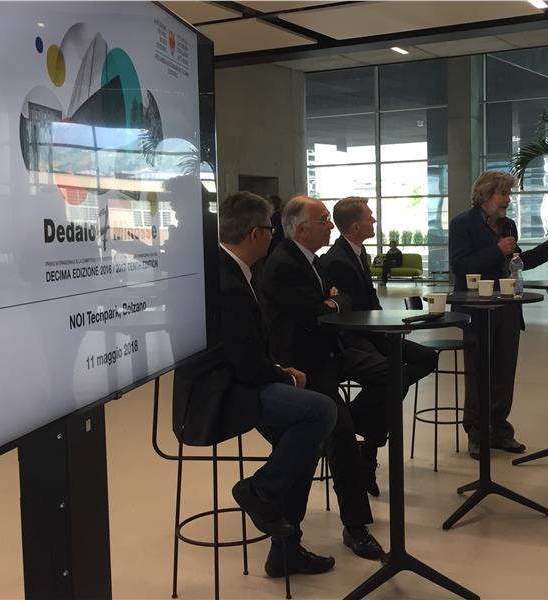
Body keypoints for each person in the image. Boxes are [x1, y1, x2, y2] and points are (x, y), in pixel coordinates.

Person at [173, 191, 337, 578]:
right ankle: (258, 491)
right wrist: (284, 374)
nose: (273, 235)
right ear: (254, 234)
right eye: (269, 229)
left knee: (305, 440)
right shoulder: (229, 284)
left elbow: (244, 351)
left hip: (230, 379)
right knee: (320, 410)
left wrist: (277, 369)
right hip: (218, 394)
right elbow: (247, 366)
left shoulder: (230, 270)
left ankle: (285, 548)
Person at [259, 194, 387, 562]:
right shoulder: (285, 264)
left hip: (331, 352)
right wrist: (331, 302)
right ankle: (355, 526)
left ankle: (363, 428)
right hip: (305, 366)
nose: (331, 225)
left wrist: (332, 301)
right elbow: (315, 314)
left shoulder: (311, 260)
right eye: (324, 220)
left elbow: (339, 299)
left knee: (391, 372)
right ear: (301, 229)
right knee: (340, 439)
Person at [449, 170, 548, 459]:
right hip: (475, 310)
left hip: (507, 306)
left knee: (504, 372)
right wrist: (496, 250)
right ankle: (477, 433)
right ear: (485, 194)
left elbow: (518, 262)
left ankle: (499, 430)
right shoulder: (462, 224)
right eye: (503, 193)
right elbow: (460, 266)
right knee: (478, 372)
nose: (508, 199)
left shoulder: (508, 225)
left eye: (509, 193)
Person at [323, 197, 438, 479]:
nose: (374, 220)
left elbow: (370, 302)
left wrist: (387, 325)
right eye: (369, 217)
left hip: (372, 332)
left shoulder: (357, 252)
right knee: (394, 377)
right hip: (352, 337)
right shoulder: (337, 260)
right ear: (355, 226)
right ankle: (368, 446)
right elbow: (350, 313)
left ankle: (354, 420)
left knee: (425, 358)